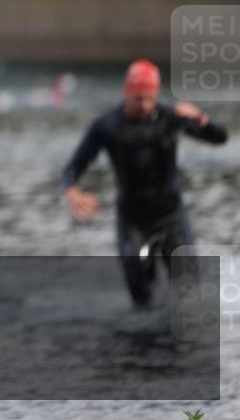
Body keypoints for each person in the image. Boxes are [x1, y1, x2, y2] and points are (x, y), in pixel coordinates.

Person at [62, 59, 228, 307]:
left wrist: (202, 118)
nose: (144, 105)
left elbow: (220, 138)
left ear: (156, 95)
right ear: (126, 93)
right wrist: (72, 191)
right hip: (133, 220)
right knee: (139, 292)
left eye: (149, 98)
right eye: (138, 98)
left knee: (188, 289)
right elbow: (72, 168)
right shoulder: (107, 126)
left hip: (171, 214)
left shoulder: (171, 118)